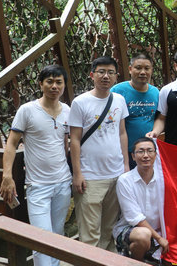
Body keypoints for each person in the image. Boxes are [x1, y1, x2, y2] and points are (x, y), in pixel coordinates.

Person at [0, 65, 71, 266]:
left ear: (64, 85)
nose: (54, 86)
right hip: (38, 186)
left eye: (59, 82)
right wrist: (7, 176)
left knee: (57, 235)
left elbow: (66, 144)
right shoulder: (27, 110)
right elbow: (11, 144)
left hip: (63, 183)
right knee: (40, 239)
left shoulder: (67, 110)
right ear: (41, 84)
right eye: (49, 81)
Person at [69, 56, 130, 251]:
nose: (106, 76)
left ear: (116, 76)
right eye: (101, 72)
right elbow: (74, 139)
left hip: (116, 173)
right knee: (90, 233)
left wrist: (126, 166)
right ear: (92, 75)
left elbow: (122, 133)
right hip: (90, 176)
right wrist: (77, 173)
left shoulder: (119, 99)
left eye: (111, 72)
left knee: (109, 229)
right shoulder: (80, 102)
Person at [113, 137, 169, 262]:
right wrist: (159, 238)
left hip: (160, 231)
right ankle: (135, 262)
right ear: (133, 156)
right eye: (141, 151)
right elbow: (134, 217)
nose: (146, 155)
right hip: (131, 229)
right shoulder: (125, 180)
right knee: (144, 235)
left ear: (156, 155)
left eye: (150, 151)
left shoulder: (164, 179)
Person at [111, 54, 159, 169]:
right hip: (123, 152)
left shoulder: (156, 92)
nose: (143, 72)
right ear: (130, 69)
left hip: (148, 152)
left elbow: (159, 118)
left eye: (147, 68)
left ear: (151, 70)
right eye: (138, 68)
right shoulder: (117, 91)